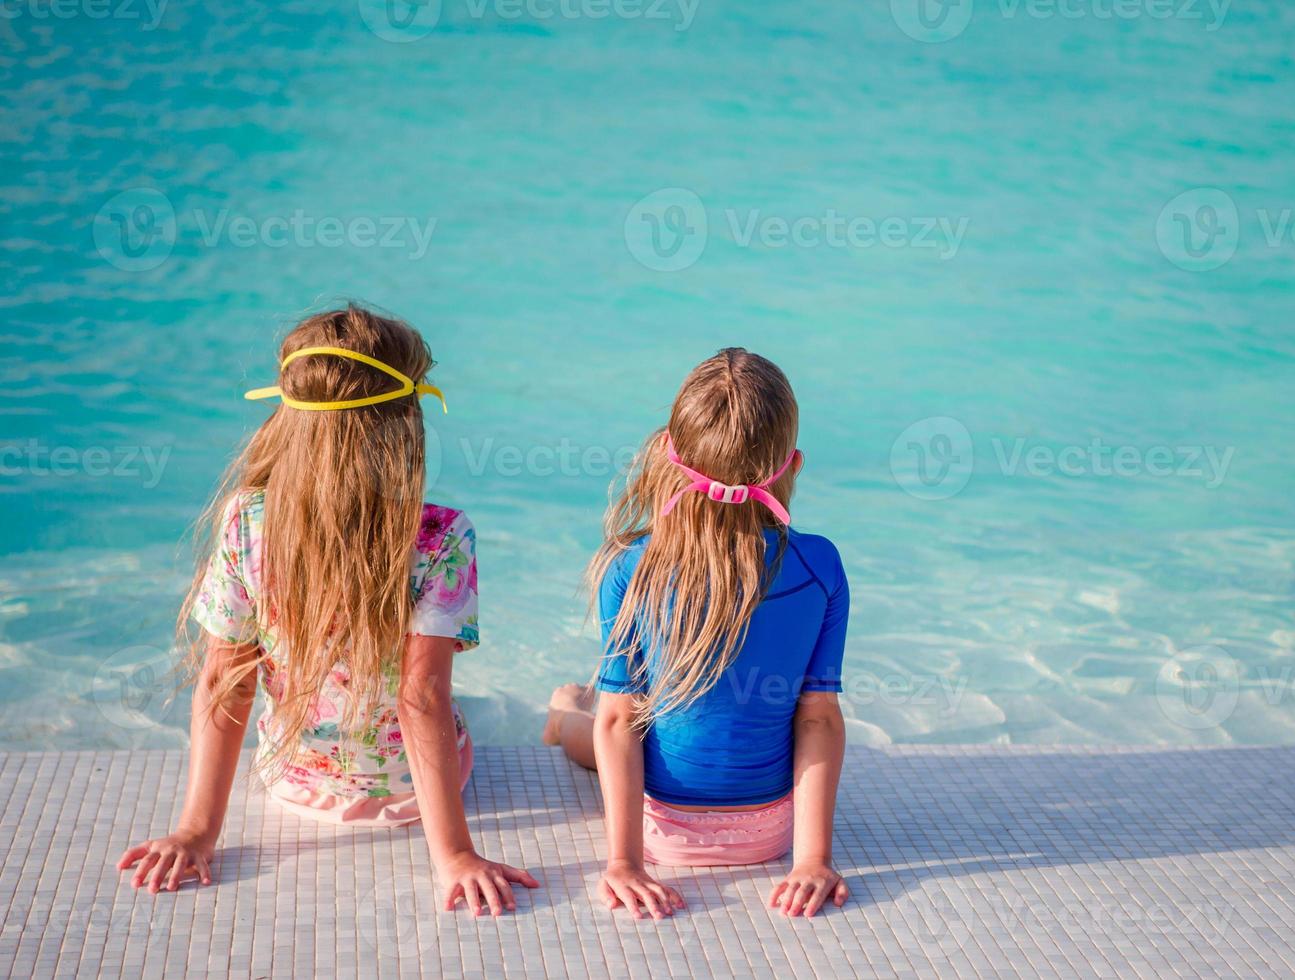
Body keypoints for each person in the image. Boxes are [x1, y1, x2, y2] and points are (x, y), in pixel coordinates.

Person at [117, 305, 537, 917]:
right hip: (402, 793)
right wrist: (453, 855)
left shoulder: (247, 522)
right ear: (406, 422)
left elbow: (224, 682)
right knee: (455, 704)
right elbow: (421, 698)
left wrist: (195, 833)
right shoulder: (439, 536)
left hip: (293, 781)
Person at [543, 348, 851, 919]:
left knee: (597, 724)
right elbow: (818, 717)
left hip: (660, 835)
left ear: (668, 452)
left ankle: (563, 716)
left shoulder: (632, 566)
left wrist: (625, 863)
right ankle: (571, 707)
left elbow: (619, 724)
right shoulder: (820, 566)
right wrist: (811, 859)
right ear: (795, 465)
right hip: (769, 834)